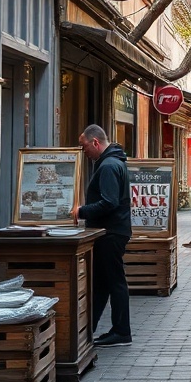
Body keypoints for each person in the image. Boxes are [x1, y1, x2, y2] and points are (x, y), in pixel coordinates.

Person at [70, 124, 133, 348]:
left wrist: (81, 211)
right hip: (113, 231)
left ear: (96, 142)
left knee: (113, 281)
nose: (84, 151)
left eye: (85, 146)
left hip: (110, 232)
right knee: (103, 282)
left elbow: (109, 202)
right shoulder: (113, 162)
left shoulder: (107, 166)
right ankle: (91, 330)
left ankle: (121, 331)